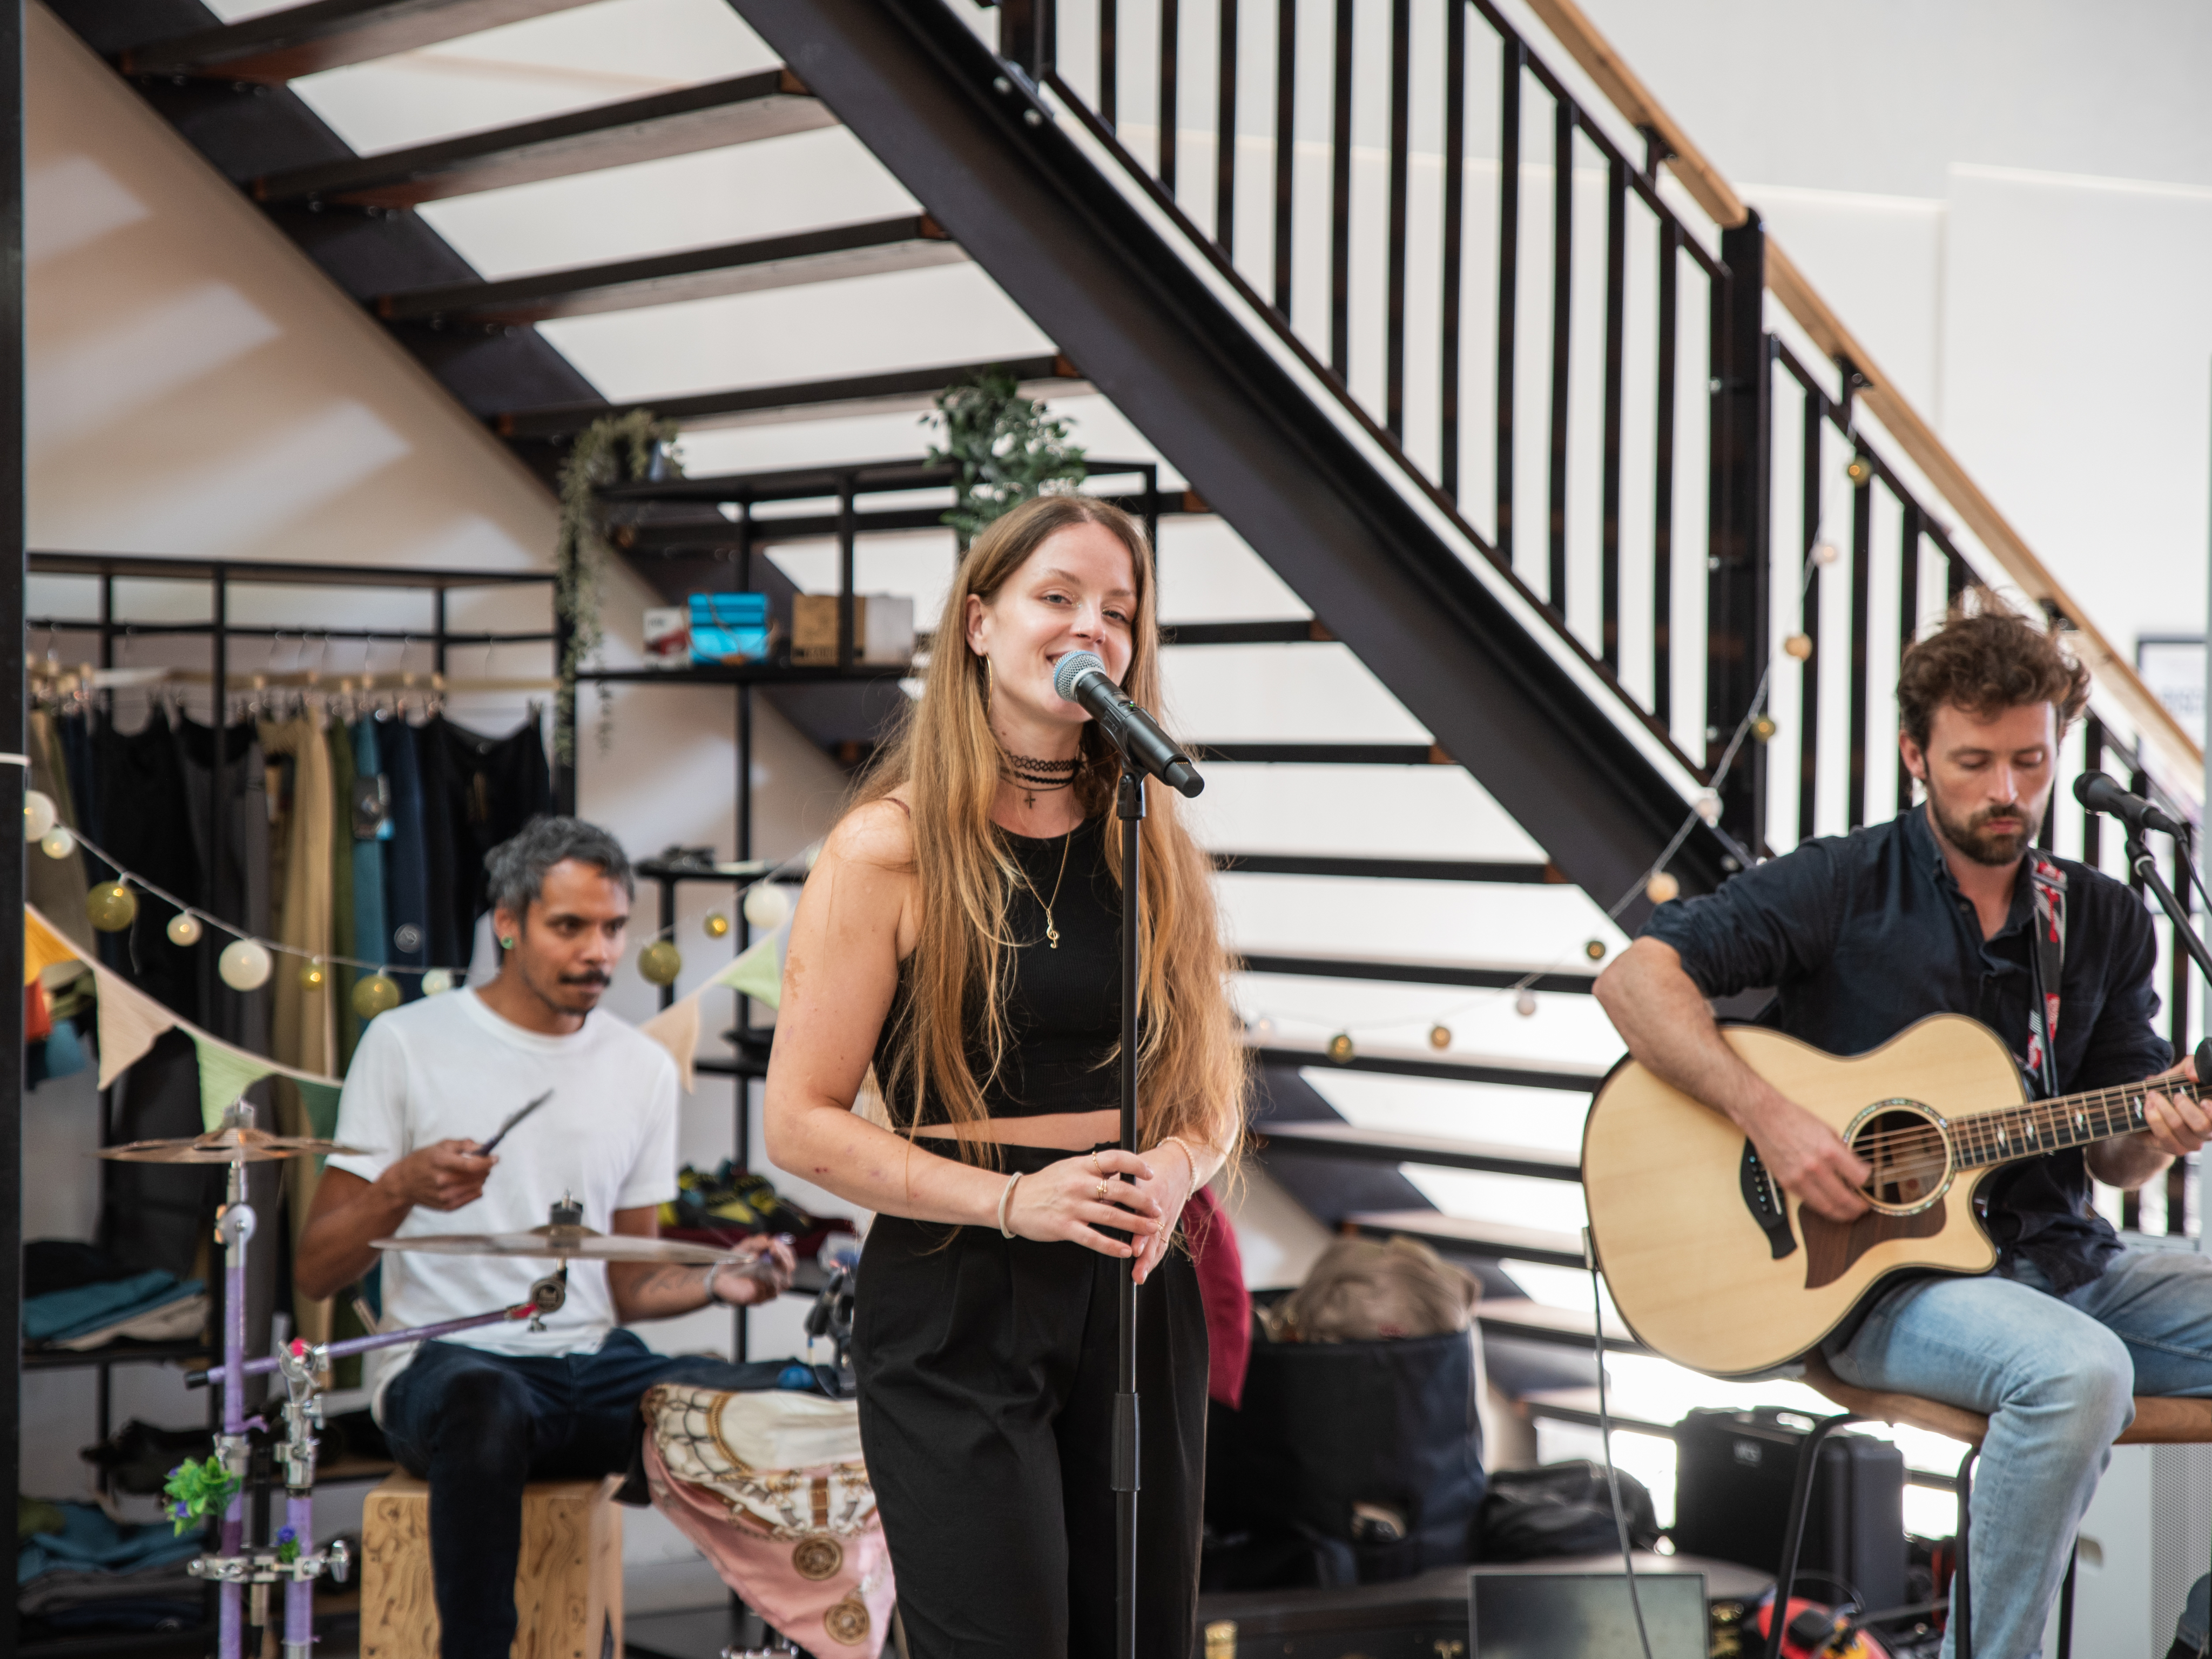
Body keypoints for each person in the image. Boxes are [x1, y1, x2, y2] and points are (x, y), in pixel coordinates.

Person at [1594, 599, 2210, 1658]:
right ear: (1913, 753)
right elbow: (1634, 980)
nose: (2006, 792)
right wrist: (1773, 1122)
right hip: (1874, 1281)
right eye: (1973, 762)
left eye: (2028, 759)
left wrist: (2161, 1128)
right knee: (2077, 1375)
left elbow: (2111, 1153)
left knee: (2080, 1348)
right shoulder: (1841, 885)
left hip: (2060, 1263)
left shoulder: (2101, 916)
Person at [763, 493, 1246, 1657]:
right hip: (958, 1287)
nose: (1090, 629)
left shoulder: (1147, 837)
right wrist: (1012, 1201)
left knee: (1141, 1638)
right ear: (978, 624)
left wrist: (1181, 1167)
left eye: (1117, 612)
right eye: (1057, 598)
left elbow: (1209, 1085)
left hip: (1133, 1281)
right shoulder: (890, 846)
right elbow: (800, 1123)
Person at [296, 815, 794, 1656]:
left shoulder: (639, 1068)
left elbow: (628, 1284)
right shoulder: (407, 1043)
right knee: (485, 1404)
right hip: (449, 1371)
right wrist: (400, 1187)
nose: (598, 952)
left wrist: (720, 1283)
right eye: (570, 927)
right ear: (507, 923)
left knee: (781, 1388)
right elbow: (316, 1269)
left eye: (611, 928)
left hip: (588, 1370)